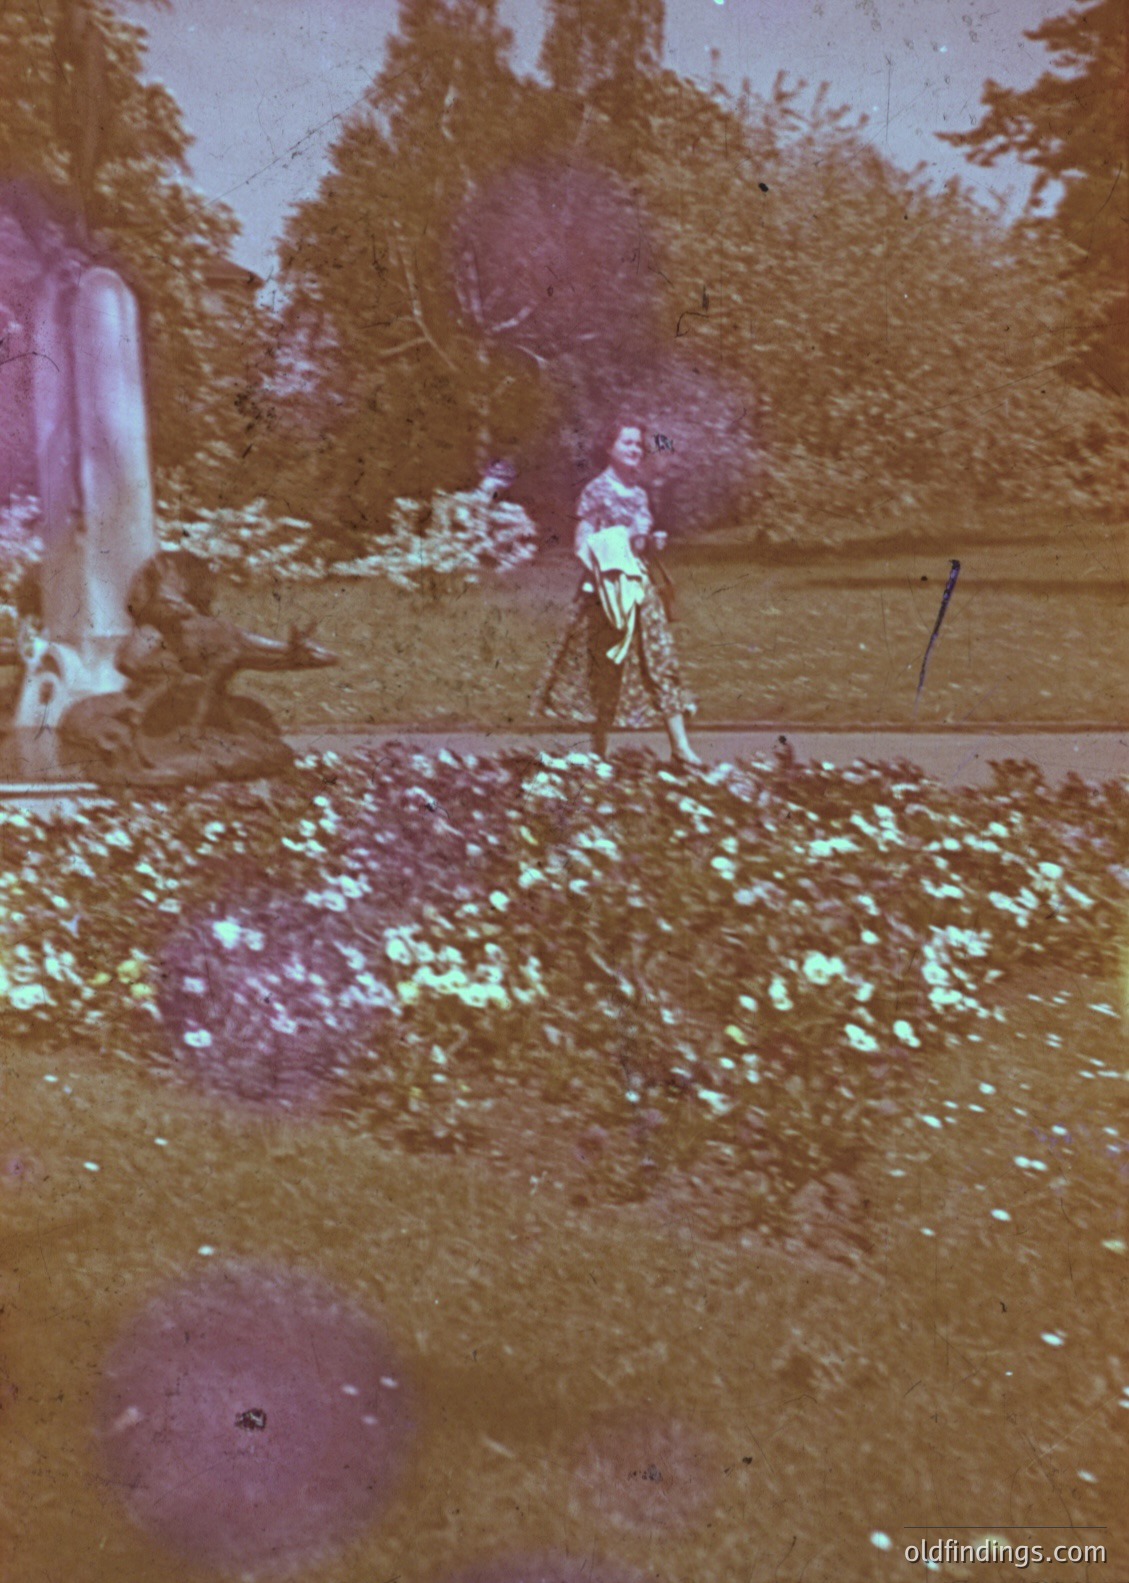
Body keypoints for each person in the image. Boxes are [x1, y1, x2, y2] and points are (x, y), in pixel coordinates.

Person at [537, 421, 701, 765]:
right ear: (609, 448)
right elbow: (581, 545)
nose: (635, 449)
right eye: (627, 442)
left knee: (659, 660)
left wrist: (650, 542)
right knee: (603, 668)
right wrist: (624, 538)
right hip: (606, 593)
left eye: (639, 444)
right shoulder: (596, 491)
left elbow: (637, 546)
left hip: (639, 590)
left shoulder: (640, 493)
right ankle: (598, 751)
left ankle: (681, 747)